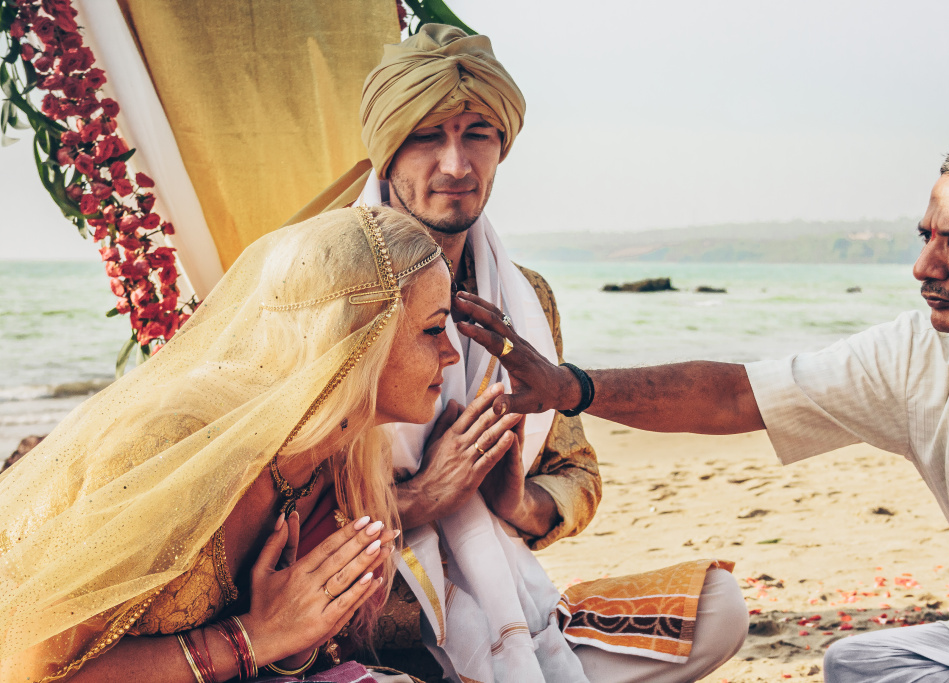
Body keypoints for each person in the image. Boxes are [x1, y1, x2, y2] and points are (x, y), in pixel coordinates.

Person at [457, 137, 949, 683]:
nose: (925, 266)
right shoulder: (918, 356)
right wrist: (569, 387)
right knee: (857, 664)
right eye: (927, 238)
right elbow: (735, 396)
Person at [286, 23, 748, 683]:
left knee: (719, 607)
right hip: (359, 622)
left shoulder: (525, 298)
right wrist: (421, 497)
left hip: (505, 601)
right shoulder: (321, 289)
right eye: (427, 136)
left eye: (477, 134)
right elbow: (272, 519)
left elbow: (576, 472)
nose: (456, 165)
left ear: (502, 147)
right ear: (386, 152)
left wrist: (513, 502)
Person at [0, 206, 471, 682]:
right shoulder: (175, 446)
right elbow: (30, 668)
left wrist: (293, 640)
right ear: (356, 336)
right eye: (433, 328)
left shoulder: (345, 457)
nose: (452, 353)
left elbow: (287, 649)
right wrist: (252, 638)